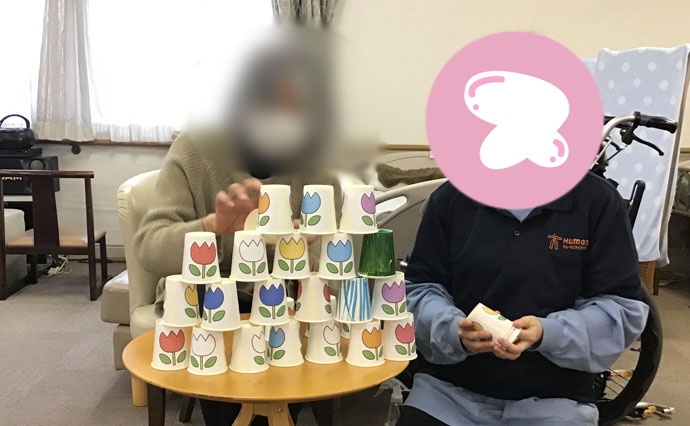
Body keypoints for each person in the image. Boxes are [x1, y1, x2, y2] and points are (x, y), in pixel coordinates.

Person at [134, 27, 340, 426]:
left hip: (287, 304)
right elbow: (150, 248)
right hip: (206, 305)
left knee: (287, 380)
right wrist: (213, 228)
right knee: (242, 395)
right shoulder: (195, 149)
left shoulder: (315, 163)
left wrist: (299, 246)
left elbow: (333, 260)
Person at [399, 173, 649, 426]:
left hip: (558, 402)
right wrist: (453, 330)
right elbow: (419, 290)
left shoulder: (596, 201)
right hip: (447, 394)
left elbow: (620, 308)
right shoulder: (451, 198)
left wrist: (548, 332)